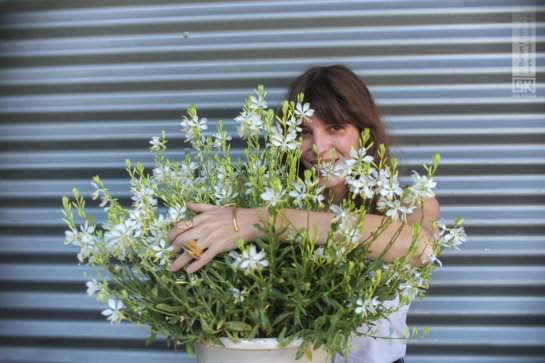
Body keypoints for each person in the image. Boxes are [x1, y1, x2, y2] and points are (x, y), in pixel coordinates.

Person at [168, 64, 440, 363]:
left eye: (335, 128)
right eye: (304, 132)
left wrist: (267, 221)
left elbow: (419, 246)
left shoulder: (415, 201)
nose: (320, 148)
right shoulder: (265, 199)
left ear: (365, 132)